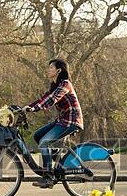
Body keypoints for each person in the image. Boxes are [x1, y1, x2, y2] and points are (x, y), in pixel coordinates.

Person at [22, 59, 84, 188]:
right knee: (38, 136)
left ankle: (48, 177)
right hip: (62, 120)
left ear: (58, 70)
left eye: (51, 67)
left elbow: (52, 99)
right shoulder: (54, 86)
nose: (48, 70)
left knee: (44, 142)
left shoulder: (65, 84)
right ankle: (54, 155)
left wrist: (35, 108)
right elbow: (43, 99)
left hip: (72, 121)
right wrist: (27, 107)